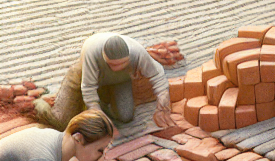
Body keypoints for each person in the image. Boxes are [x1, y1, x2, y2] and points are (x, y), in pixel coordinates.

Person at [35, 33, 174, 131]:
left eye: (122, 64)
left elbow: (158, 75)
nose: (116, 68)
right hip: (83, 77)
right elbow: (88, 88)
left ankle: (101, 101)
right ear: (104, 57)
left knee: (125, 116)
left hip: (119, 81)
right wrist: (98, 114)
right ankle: (39, 101)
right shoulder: (92, 53)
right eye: (112, 65)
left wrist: (163, 101)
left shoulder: (137, 52)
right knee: (61, 123)